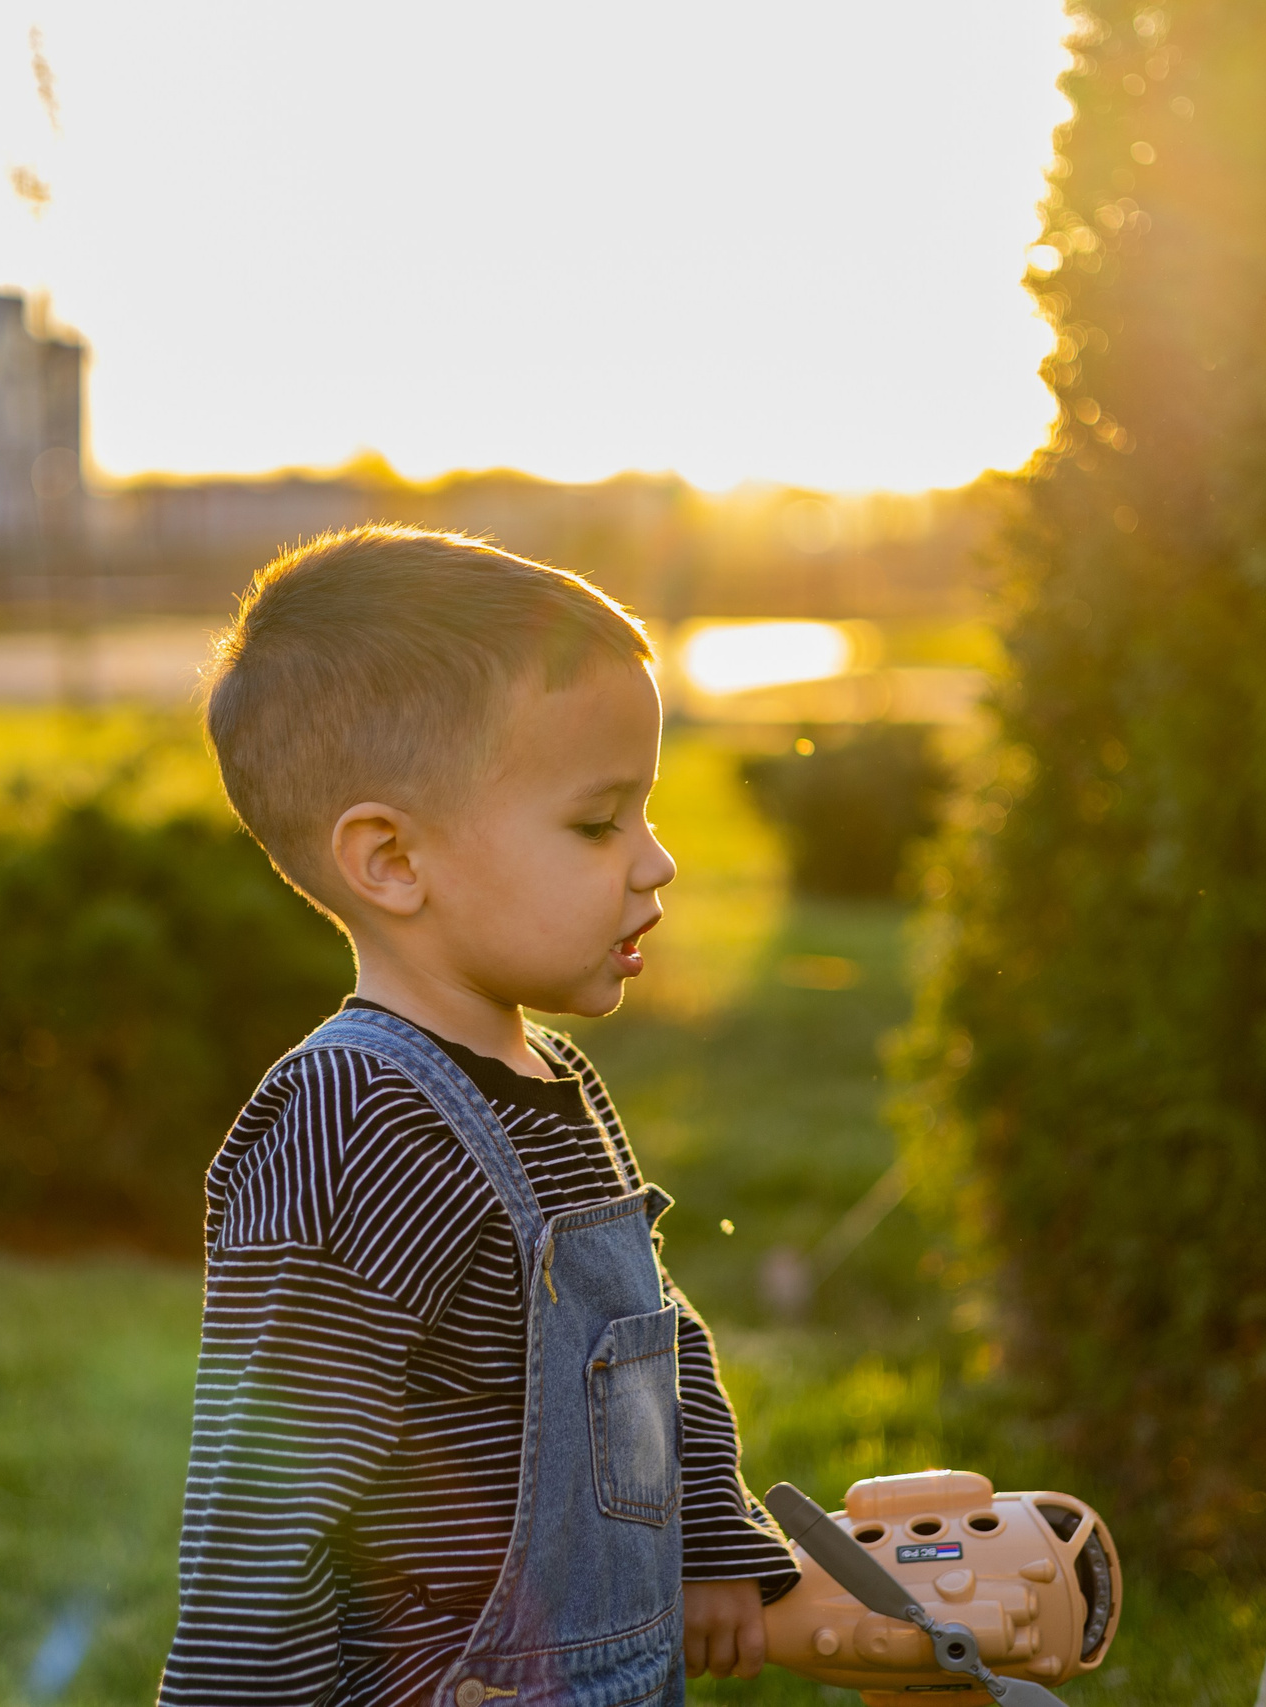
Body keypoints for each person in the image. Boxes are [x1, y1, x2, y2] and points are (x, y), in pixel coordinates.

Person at [159, 526, 798, 1707]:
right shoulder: (356, 1122)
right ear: (393, 860)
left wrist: (708, 1533)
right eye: (598, 823)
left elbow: (644, 1340)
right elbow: (263, 1509)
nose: (656, 863)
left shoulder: (547, 1077)